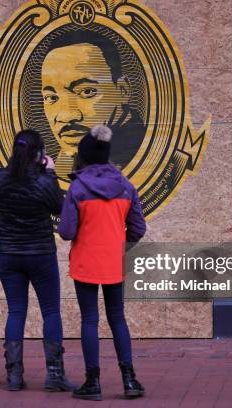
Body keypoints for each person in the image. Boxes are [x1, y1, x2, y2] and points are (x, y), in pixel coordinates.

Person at [58, 125, 147, 401]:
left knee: (89, 320)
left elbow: (67, 232)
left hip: (86, 261)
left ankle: (93, 382)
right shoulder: (126, 186)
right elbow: (138, 228)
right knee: (117, 317)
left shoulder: (77, 188)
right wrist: (119, 240)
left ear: (83, 155)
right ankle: (129, 380)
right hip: (114, 261)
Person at [0, 129, 74, 392]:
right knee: (50, 311)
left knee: (16, 311)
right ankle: (55, 375)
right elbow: (59, 207)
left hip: (8, 254)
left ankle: (14, 376)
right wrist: (50, 173)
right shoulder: (45, 180)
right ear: (40, 154)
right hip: (40, 254)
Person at [40, 29, 146, 179]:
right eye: (51, 98)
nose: (66, 116)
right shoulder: (64, 161)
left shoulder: (135, 152)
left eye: (87, 92)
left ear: (123, 90)